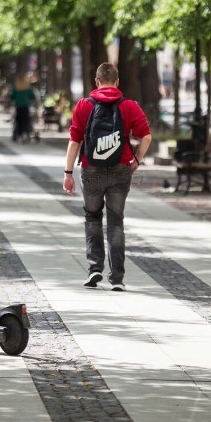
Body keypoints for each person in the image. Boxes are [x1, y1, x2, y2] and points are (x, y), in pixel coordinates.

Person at [62, 63, 152, 292]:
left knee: (92, 217)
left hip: (91, 170)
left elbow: (75, 141)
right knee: (116, 221)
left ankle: (94, 268)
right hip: (121, 169)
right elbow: (146, 137)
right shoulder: (129, 106)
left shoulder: (84, 105)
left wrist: (68, 172)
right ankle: (118, 278)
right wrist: (137, 160)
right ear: (118, 82)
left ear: (96, 81)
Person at [9, 73, 37, 141]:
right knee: (26, 120)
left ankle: (20, 133)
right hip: (25, 106)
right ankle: (26, 132)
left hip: (18, 106)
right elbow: (33, 96)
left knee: (19, 121)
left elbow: (11, 97)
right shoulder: (27, 88)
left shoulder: (16, 88)